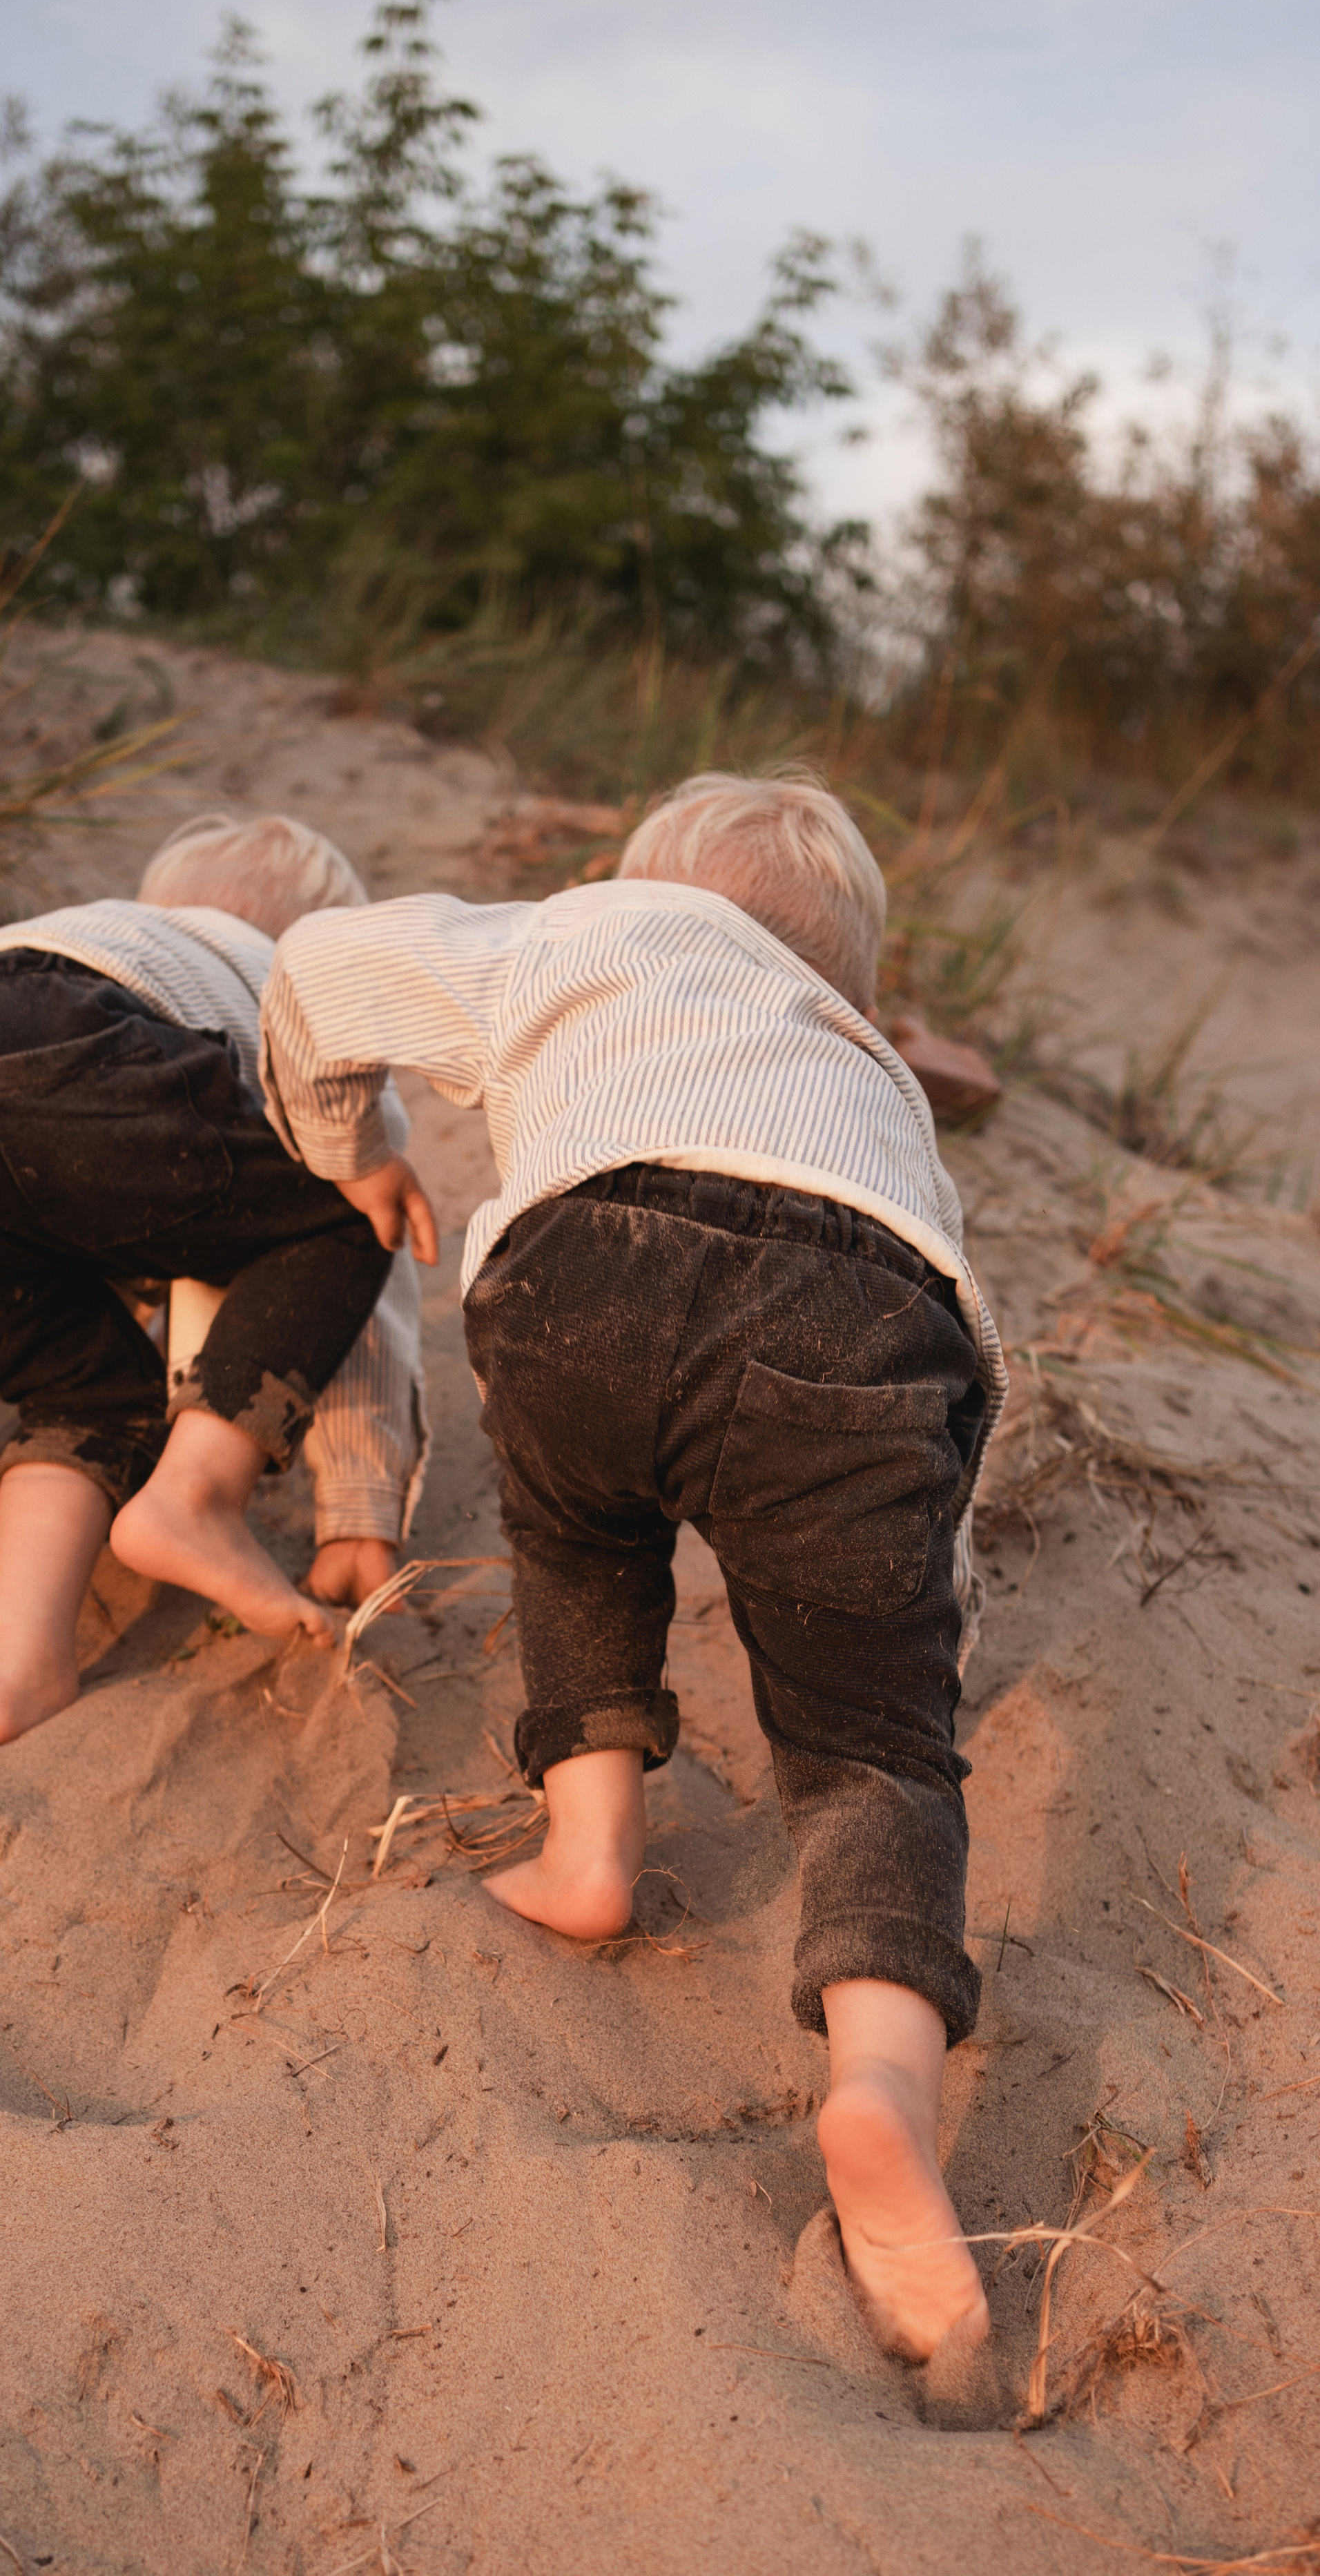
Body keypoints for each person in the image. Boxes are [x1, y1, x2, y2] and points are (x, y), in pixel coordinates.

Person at [256, 770, 1005, 2364]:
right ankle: (879, 2085)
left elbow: (320, 965)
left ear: (632, 878)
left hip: (576, 1268)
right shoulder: (861, 1061)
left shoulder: (568, 934)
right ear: (844, 978)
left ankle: (588, 1848)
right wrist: (921, 1584)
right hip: (853, 1310)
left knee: (575, 1536)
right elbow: (949, 1355)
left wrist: (351, 1144)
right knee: (874, 1749)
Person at [0, 813, 426, 1747]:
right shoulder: (305, 995)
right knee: (347, 1210)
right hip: (61, 1048)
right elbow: (370, 1244)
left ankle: (14, 1672)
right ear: (319, 945)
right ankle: (195, 1498)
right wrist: (359, 1506)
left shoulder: (93, 936)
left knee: (80, 1390)